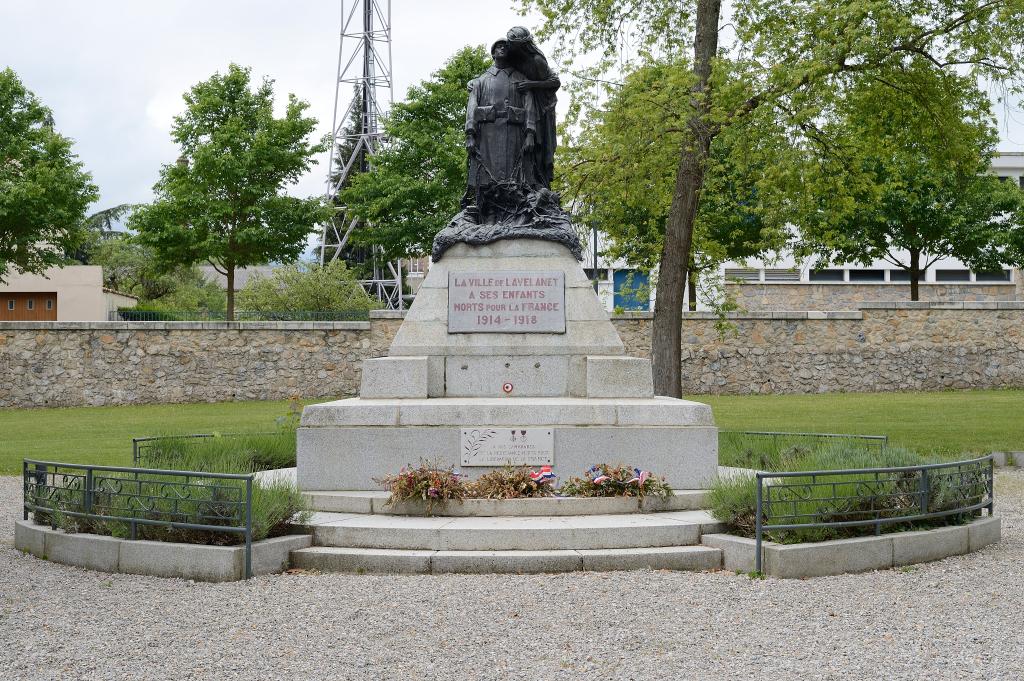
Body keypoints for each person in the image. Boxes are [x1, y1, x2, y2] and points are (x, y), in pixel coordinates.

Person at [465, 39, 539, 221]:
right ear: (493, 53)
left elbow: (530, 106)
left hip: (514, 134)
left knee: (515, 177)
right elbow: (471, 106)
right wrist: (470, 134)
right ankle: (489, 214)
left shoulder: (521, 79)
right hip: (488, 135)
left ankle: (516, 215)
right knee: (487, 178)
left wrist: (530, 133)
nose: (503, 48)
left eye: (506, 47)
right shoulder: (481, 81)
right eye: (499, 46)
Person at [505, 26, 560, 189]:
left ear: (521, 44)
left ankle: (540, 181)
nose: (508, 44)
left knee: (540, 145)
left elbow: (555, 82)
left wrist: (532, 84)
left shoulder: (537, 60)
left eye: (511, 42)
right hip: (524, 104)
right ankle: (524, 180)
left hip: (543, 107)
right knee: (523, 141)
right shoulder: (512, 57)